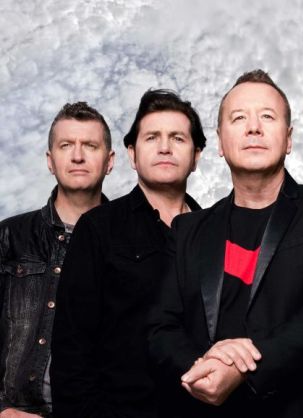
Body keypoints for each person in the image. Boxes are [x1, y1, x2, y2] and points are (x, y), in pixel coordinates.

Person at [148, 70, 303, 418]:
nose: (253, 128)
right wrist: (202, 368)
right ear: (220, 142)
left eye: (267, 116)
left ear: (288, 139)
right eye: (239, 118)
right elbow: (162, 327)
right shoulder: (188, 229)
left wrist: (244, 369)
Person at [50, 90, 206, 418]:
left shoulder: (218, 232)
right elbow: (71, 352)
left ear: (196, 156)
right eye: (152, 137)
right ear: (132, 155)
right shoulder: (98, 228)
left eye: (177, 138)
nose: (164, 147)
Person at [0, 102, 114, 418]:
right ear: (50, 161)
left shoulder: (131, 243)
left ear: (110, 161)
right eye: (66, 145)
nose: (77, 156)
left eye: (90, 145)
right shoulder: (8, 237)